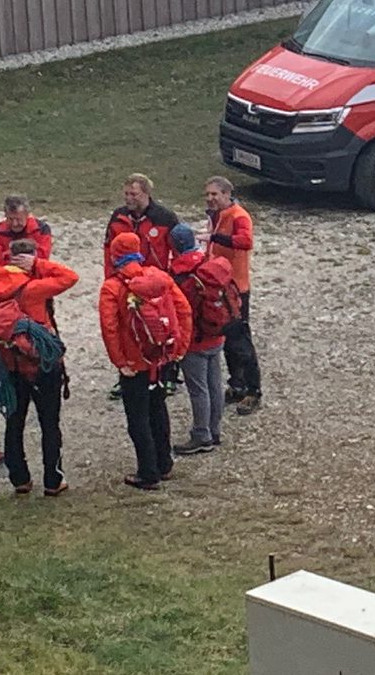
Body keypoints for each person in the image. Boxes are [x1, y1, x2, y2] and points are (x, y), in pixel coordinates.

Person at [99, 230, 192, 491]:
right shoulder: (158, 277)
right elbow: (184, 310)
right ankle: (164, 463)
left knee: (138, 418)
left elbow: (109, 327)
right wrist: (179, 349)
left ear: (115, 255)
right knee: (158, 410)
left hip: (134, 363)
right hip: (160, 358)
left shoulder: (112, 287)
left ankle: (148, 472)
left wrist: (120, 361)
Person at [0, 238, 78, 497]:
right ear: (29, 258)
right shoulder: (34, 288)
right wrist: (39, 264)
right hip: (42, 365)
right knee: (49, 423)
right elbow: (70, 277)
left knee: (14, 422)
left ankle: (20, 478)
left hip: (11, 365)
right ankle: (53, 480)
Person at [168, 224, 235, 456]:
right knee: (215, 385)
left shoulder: (180, 275)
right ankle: (215, 431)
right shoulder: (209, 263)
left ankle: (201, 435)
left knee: (199, 390)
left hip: (195, 340)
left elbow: (179, 310)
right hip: (217, 334)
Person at [204, 176, 262, 416]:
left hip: (236, 288)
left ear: (227, 194)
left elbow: (245, 242)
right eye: (208, 194)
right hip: (220, 285)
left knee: (241, 340)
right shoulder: (216, 215)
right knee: (227, 339)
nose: (210, 198)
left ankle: (253, 390)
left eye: (214, 194)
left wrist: (215, 238)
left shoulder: (239, 216)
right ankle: (237, 384)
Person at [102, 174, 179, 273]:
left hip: (155, 277)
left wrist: (173, 276)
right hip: (124, 277)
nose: (128, 198)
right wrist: (110, 276)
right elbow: (108, 251)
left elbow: (178, 252)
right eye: (126, 194)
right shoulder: (118, 217)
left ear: (147, 193)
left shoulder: (165, 218)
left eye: (133, 194)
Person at [0, 195, 54, 264]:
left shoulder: (42, 230)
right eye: (10, 219)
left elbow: (44, 258)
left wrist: (30, 260)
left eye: (18, 219)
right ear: (5, 215)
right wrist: (14, 258)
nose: (15, 224)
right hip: (6, 270)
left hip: (33, 269)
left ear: (27, 215)